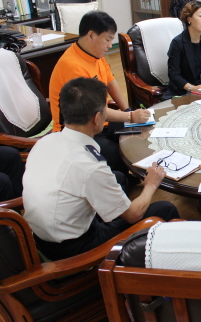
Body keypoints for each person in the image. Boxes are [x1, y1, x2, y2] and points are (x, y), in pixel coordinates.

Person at [23, 78, 179, 260]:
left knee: (119, 177)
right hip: (73, 249)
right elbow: (133, 216)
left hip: (41, 236)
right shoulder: (89, 165)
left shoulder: (45, 142)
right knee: (164, 209)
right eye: (105, 110)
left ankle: (117, 213)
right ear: (97, 118)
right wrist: (151, 184)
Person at [49, 11, 150, 175]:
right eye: (107, 39)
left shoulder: (95, 54)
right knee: (115, 152)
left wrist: (127, 110)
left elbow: (111, 82)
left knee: (141, 132)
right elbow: (93, 110)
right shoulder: (73, 66)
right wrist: (130, 117)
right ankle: (121, 183)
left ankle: (126, 177)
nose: (110, 45)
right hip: (78, 130)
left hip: (99, 121)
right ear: (91, 35)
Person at [167, 1, 201, 96]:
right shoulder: (178, 42)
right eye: (200, 16)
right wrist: (191, 88)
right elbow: (173, 73)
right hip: (184, 90)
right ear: (189, 19)